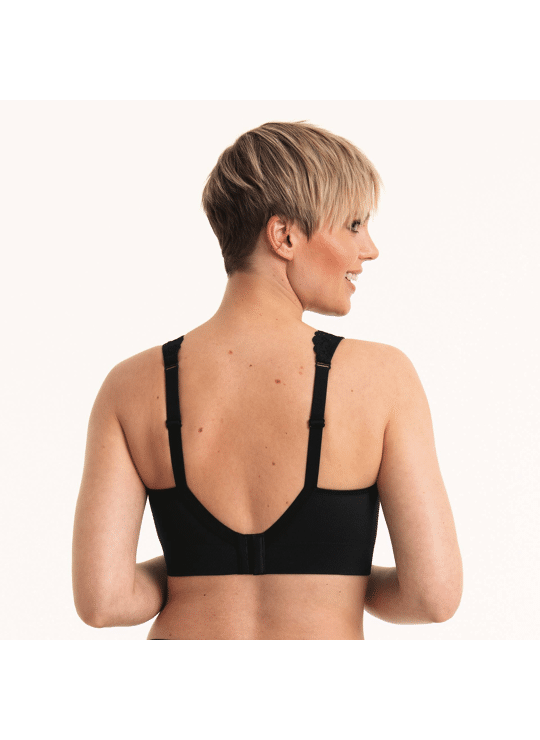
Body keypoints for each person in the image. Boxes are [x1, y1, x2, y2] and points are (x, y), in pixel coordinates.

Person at [72, 120, 462, 640]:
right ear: (284, 236)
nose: (370, 249)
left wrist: (197, 567)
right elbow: (431, 596)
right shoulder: (381, 378)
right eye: (354, 225)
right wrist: (331, 573)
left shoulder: (130, 386)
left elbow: (106, 601)